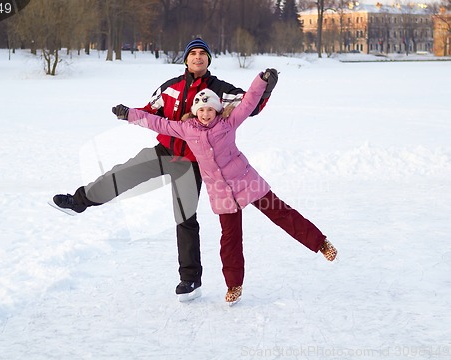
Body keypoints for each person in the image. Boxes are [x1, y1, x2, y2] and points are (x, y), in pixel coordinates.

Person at [51, 38, 276, 302]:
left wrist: (267, 89)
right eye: (193, 53)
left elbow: (252, 105)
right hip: (164, 151)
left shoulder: (220, 90)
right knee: (120, 175)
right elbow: (150, 112)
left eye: (203, 53)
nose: (198, 57)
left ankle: (190, 280)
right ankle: (79, 201)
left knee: (184, 217)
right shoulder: (170, 87)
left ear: (209, 60)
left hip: (192, 163)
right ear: (186, 59)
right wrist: (127, 112)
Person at [111, 69, 338, 305]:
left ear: (218, 110)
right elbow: (156, 122)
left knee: (280, 212)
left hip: (246, 182)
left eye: (210, 109)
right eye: (202, 109)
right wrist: (129, 114)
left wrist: (261, 80)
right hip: (221, 194)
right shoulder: (187, 130)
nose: (206, 114)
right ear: (195, 112)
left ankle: (320, 242)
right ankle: (234, 285)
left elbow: (249, 101)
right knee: (230, 238)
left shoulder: (228, 123)